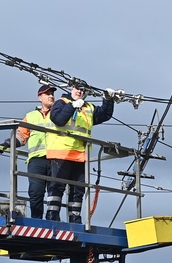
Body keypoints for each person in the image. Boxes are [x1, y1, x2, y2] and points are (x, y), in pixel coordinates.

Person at [45, 86, 115, 223]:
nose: (79, 92)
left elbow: (104, 115)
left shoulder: (88, 107)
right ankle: (52, 216)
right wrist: (72, 106)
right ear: (71, 89)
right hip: (62, 152)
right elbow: (58, 120)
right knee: (57, 186)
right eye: (77, 89)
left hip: (80, 154)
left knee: (78, 189)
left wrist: (108, 100)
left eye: (82, 90)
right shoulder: (62, 102)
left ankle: (75, 217)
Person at [13, 84, 57, 218]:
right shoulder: (30, 116)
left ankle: (53, 219)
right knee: (35, 191)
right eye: (47, 94)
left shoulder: (59, 114)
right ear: (40, 98)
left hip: (56, 158)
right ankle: (37, 219)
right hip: (36, 159)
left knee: (54, 192)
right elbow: (21, 136)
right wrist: (10, 142)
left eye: (52, 94)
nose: (51, 96)